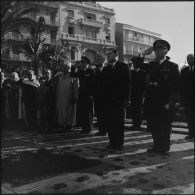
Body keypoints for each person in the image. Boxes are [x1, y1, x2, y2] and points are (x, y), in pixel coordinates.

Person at [132, 39, 180, 155]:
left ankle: (164, 148)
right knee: (153, 124)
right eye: (156, 49)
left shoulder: (172, 66)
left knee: (164, 125)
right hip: (152, 100)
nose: (158, 51)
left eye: (161, 49)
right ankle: (156, 145)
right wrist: (144, 53)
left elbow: (176, 86)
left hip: (164, 101)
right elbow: (137, 63)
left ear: (166, 51)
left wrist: (171, 102)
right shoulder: (152, 65)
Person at [103, 48, 131, 150]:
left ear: (116, 55)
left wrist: (126, 99)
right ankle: (112, 142)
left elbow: (127, 84)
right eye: (107, 54)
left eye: (110, 54)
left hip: (119, 100)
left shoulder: (123, 67)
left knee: (118, 122)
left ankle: (119, 143)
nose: (108, 56)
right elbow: (103, 86)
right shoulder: (106, 69)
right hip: (108, 100)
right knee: (110, 121)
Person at [71, 56, 95, 134]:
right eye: (81, 63)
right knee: (82, 111)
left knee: (89, 112)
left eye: (84, 62)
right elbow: (72, 74)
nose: (82, 64)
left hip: (89, 95)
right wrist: (73, 66)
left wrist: (92, 94)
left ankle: (90, 128)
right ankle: (84, 128)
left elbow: (94, 84)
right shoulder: (80, 72)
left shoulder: (91, 71)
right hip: (82, 94)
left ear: (87, 64)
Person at [55, 62, 79, 131]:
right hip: (61, 97)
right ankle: (63, 124)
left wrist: (75, 96)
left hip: (69, 97)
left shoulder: (73, 75)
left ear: (69, 67)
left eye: (66, 67)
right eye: (63, 67)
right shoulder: (60, 75)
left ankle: (70, 125)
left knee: (70, 112)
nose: (64, 68)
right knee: (62, 111)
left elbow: (76, 87)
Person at [180, 54, 195, 140]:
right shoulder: (184, 71)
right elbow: (181, 85)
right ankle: (191, 134)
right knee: (189, 117)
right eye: (188, 59)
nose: (190, 60)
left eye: (191, 58)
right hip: (188, 99)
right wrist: (182, 98)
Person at [129, 63, 147, 131]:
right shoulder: (132, 72)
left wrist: (143, 95)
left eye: (135, 63)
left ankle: (138, 124)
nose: (134, 65)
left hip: (140, 94)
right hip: (133, 94)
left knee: (139, 110)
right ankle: (134, 124)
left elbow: (144, 85)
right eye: (134, 64)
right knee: (133, 109)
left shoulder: (143, 72)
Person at [94, 58, 108, 136]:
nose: (99, 64)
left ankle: (104, 130)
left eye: (101, 63)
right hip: (97, 95)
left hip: (104, 96)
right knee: (98, 113)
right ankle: (101, 130)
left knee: (103, 114)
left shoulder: (106, 71)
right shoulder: (96, 71)